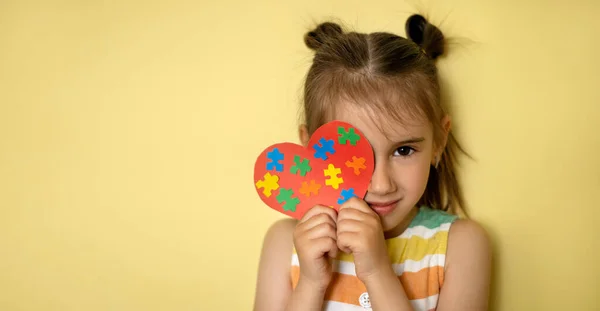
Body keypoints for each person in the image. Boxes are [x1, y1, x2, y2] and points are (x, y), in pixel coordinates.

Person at [253, 14, 492, 311]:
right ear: (312, 149)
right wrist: (311, 282)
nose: (381, 185)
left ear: (439, 142)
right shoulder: (286, 242)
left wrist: (377, 272)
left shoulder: (460, 246)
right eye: (352, 157)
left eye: (404, 151)